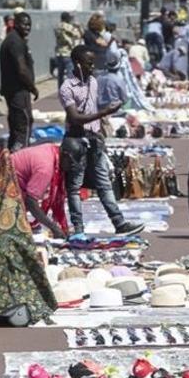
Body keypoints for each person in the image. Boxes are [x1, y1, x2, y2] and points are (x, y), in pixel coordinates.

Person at [59, 45, 145, 237]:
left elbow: (92, 110)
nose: (92, 68)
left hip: (94, 140)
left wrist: (101, 126)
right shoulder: (67, 87)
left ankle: (119, 223)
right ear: (77, 63)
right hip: (76, 142)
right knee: (74, 187)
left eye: (93, 64)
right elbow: (75, 117)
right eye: (88, 64)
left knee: (104, 183)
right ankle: (78, 229)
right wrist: (104, 112)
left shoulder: (93, 82)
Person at [0, 142, 68, 239]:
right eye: (71, 163)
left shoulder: (51, 149)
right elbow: (31, 202)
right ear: (65, 155)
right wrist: (54, 228)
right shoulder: (46, 168)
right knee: (3, 234)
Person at [0, 12, 37, 150]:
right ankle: (20, 159)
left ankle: (11, 161)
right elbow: (21, 69)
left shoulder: (15, 40)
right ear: (15, 24)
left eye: (29, 25)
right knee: (23, 125)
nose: (27, 27)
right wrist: (33, 88)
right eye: (24, 24)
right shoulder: (15, 42)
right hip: (18, 91)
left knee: (16, 128)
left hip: (14, 91)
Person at [55, 12, 83, 87]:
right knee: (70, 74)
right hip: (68, 52)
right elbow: (78, 35)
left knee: (60, 75)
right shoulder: (68, 27)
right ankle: (69, 91)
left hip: (59, 52)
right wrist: (78, 26)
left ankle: (61, 90)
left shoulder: (57, 26)